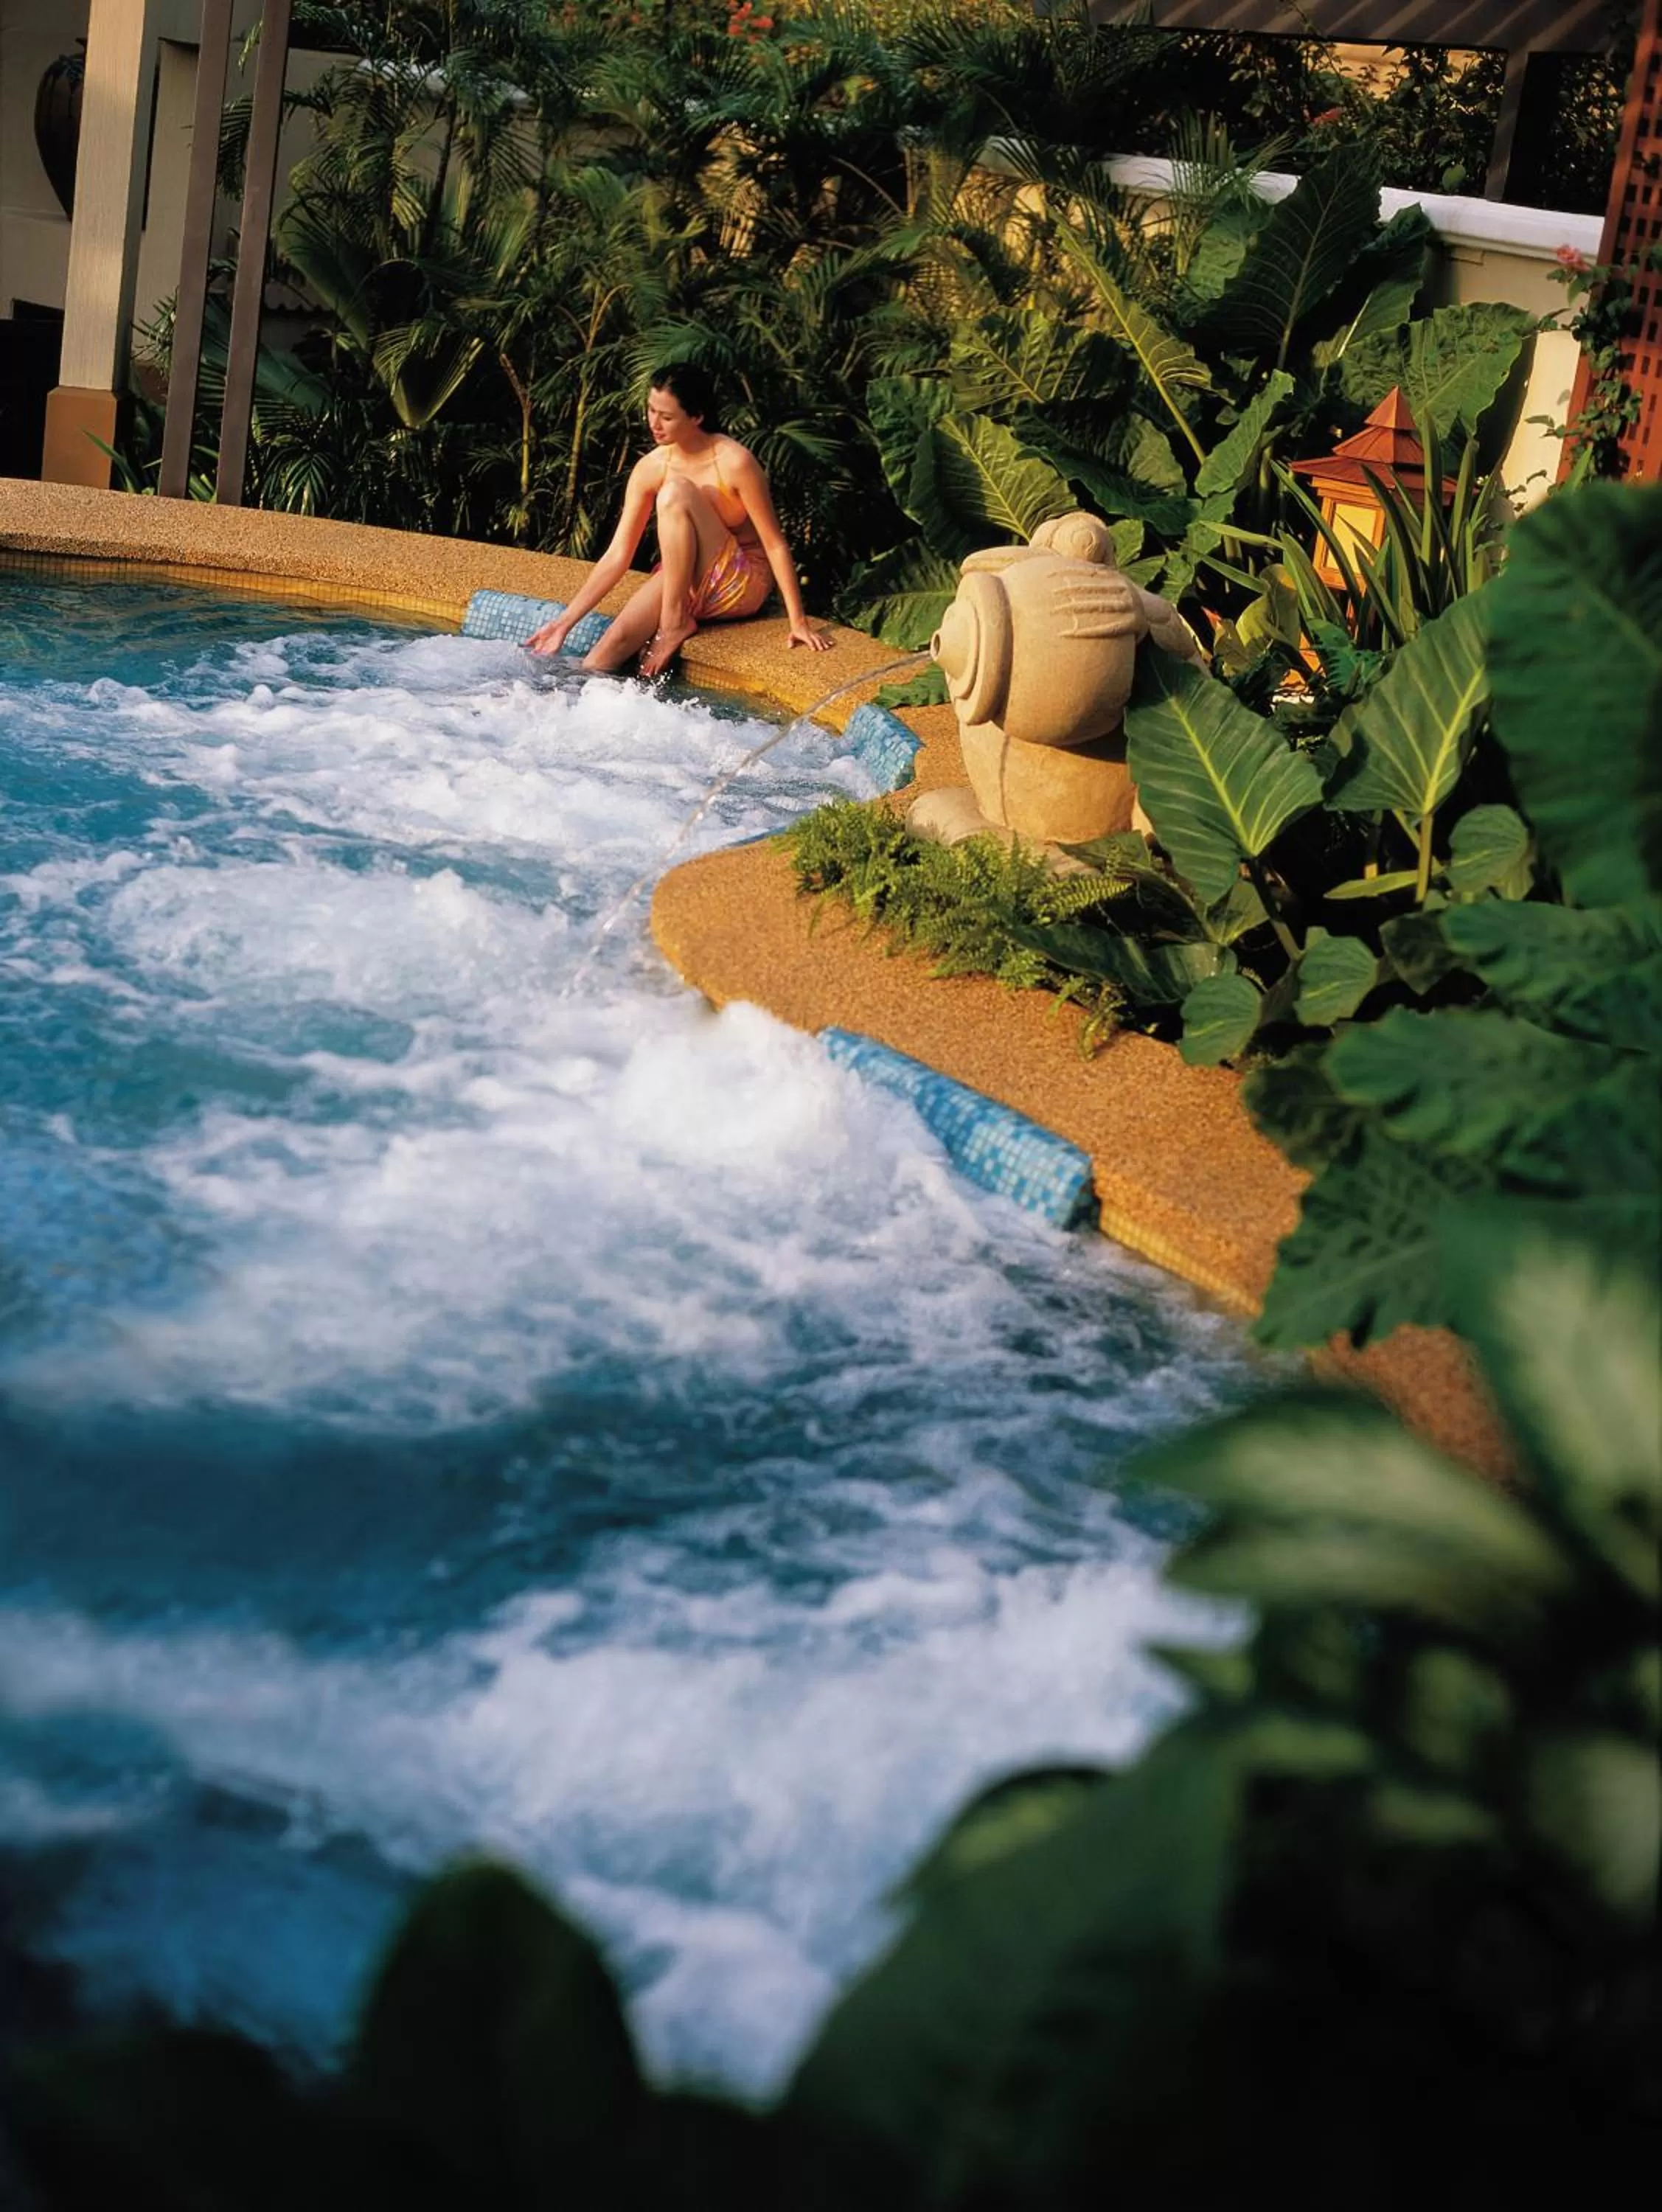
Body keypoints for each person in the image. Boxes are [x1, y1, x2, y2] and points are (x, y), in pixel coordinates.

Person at [526, 364, 832, 678]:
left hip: (740, 581)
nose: (654, 424)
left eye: (667, 417)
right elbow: (618, 554)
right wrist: (564, 623)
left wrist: (798, 622)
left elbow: (774, 544)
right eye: (651, 411)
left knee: (675, 492)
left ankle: (674, 622)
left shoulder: (735, 462)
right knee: (599, 660)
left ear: (697, 416)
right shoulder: (651, 467)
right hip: (682, 580)